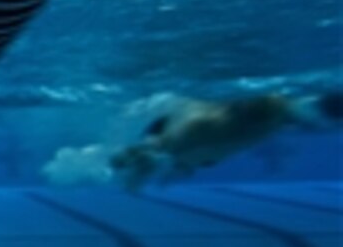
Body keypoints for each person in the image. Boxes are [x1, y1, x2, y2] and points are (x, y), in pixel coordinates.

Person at [109, 92, 342, 192]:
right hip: (180, 141)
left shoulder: (275, 110)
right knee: (148, 161)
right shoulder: (198, 126)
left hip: (185, 142)